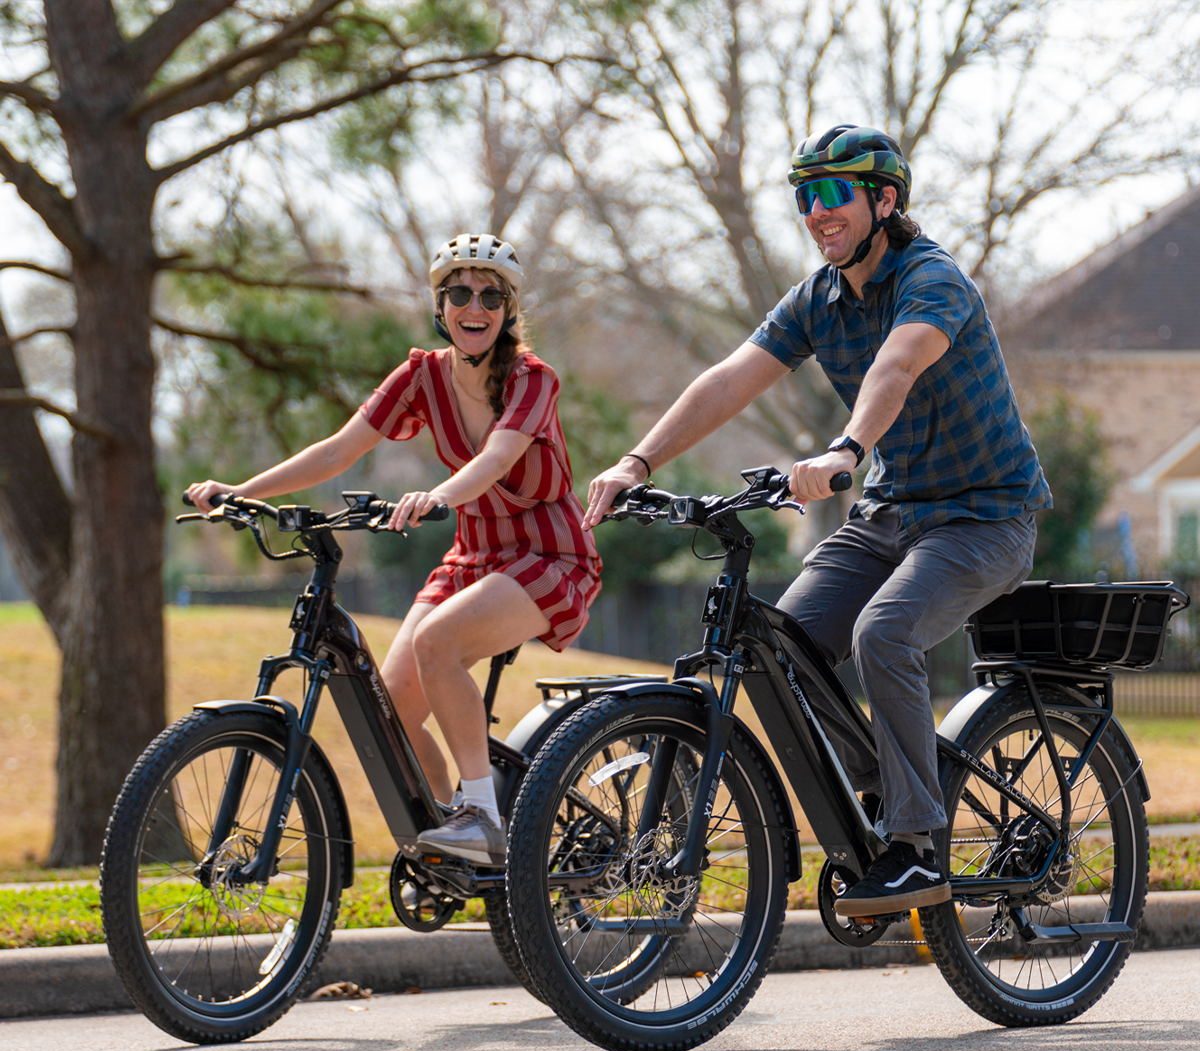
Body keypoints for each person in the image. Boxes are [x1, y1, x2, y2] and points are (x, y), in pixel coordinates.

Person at [584, 125, 1051, 918]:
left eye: (837, 192)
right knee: (784, 650)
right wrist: (638, 462)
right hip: (892, 515)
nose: (818, 211)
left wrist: (846, 447)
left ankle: (914, 847)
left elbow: (896, 365)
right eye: (806, 196)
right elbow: (731, 378)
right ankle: (887, 792)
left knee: (884, 633)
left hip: (986, 517)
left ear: (885, 200)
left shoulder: (931, 277)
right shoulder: (818, 298)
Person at [188, 233, 601, 866]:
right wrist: (240, 492)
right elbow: (338, 449)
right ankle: (458, 839)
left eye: (492, 295)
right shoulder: (421, 375)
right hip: (472, 557)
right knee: (392, 710)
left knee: (439, 643)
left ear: (508, 310)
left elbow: (495, 459)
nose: (476, 305)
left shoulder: (532, 379)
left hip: (549, 556)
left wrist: (436, 497)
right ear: (441, 305)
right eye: (460, 292)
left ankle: (484, 819)